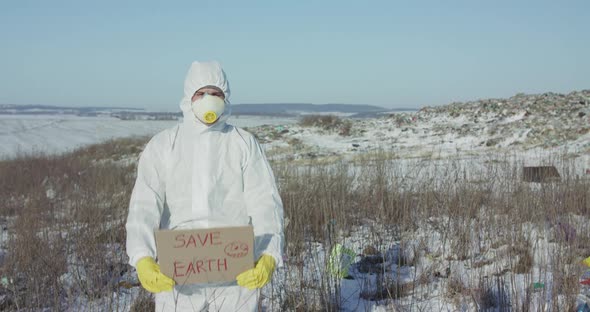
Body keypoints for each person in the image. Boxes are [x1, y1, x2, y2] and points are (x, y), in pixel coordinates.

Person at [125, 61, 285, 311]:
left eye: (216, 93)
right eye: (201, 93)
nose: (208, 99)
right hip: (178, 275)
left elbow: (265, 201)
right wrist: (142, 257)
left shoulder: (242, 143)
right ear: (189, 97)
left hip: (236, 272)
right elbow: (144, 205)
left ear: (226, 98)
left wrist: (269, 255)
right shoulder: (164, 145)